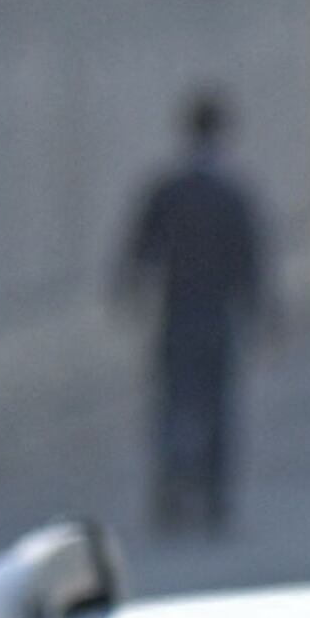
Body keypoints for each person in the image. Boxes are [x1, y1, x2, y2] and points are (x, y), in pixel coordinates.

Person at [112, 88, 273, 536]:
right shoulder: (230, 195)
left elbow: (139, 251)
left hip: (178, 311)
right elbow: (251, 262)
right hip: (216, 314)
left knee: (174, 404)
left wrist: (129, 292)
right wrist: (261, 314)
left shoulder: (169, 190)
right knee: (217, 406)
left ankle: (171, 490)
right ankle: (213, 496)